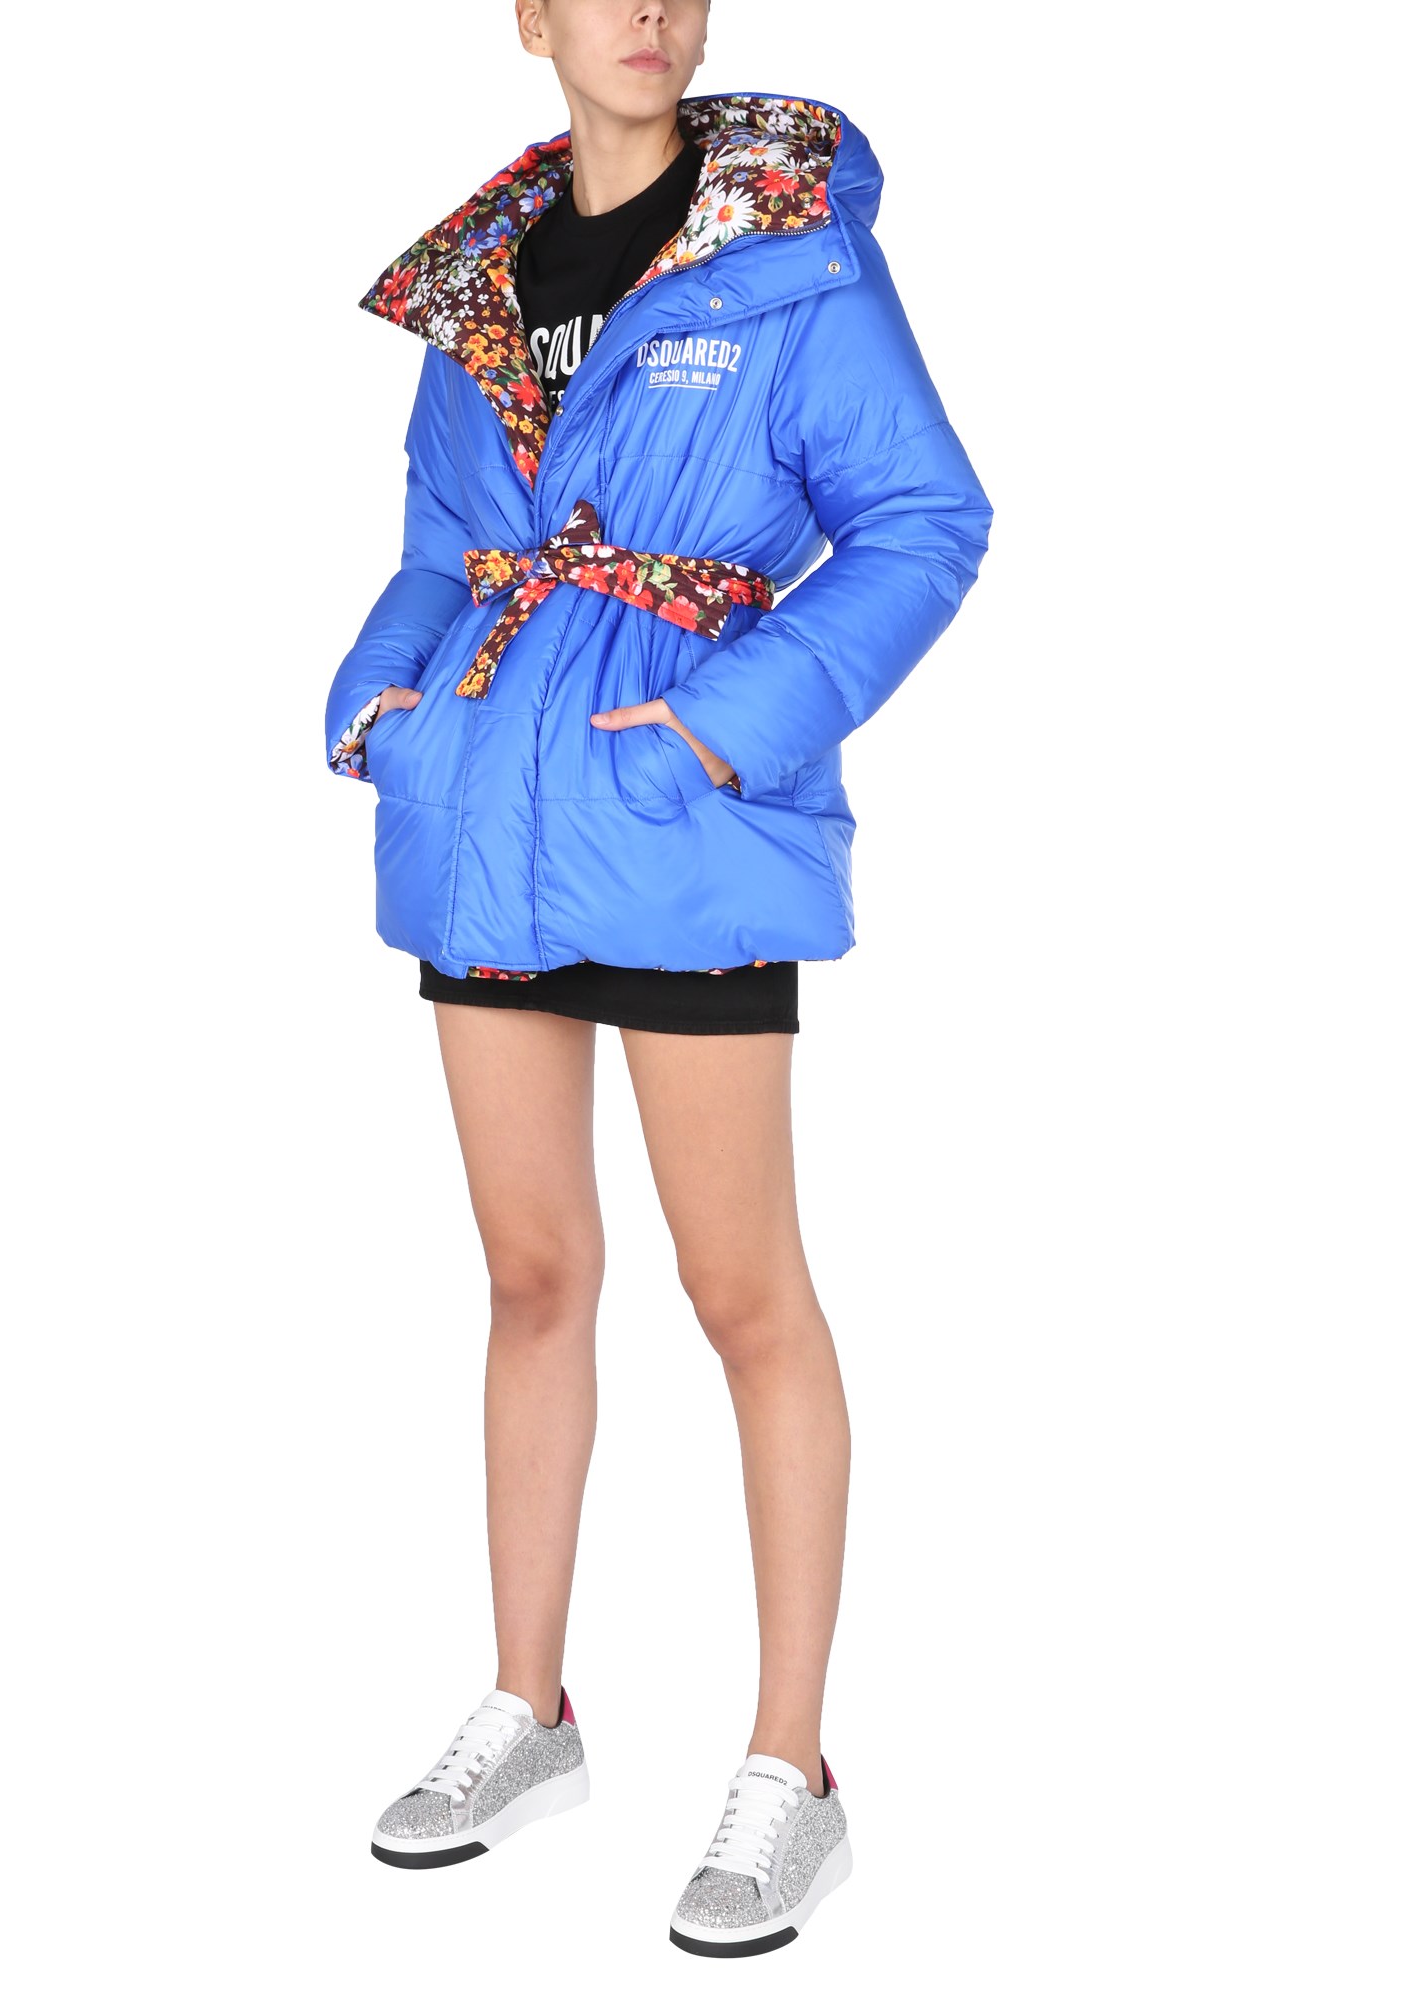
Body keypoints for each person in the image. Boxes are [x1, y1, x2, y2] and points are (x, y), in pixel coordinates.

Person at [323, 0, 992, 1958]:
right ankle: (529, 1709)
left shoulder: (789, 252)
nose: (647, 10)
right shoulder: (481, 283)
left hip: (681, 819)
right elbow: (446, 545)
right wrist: (378, 700)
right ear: (528, 17)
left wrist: (723, 729)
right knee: (532, 1274)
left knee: (741, 1290)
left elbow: (926, 521)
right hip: (484, 816)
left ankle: (794, 1769)